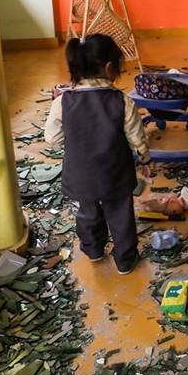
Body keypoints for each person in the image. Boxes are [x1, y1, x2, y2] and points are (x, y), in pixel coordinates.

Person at [45, 34, 150, 274]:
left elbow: (52, 137)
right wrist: (145, 158)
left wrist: (75, 138)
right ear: (109, 67)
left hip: (80, 173)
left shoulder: (62, 102)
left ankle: (93, 250)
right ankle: (125, 260)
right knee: (121, 214)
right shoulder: (121, 100)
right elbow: (136, 137)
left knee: (87, 211)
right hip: (115, 172)